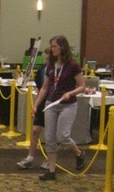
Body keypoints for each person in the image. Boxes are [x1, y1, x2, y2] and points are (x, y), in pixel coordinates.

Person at [31, 35, 85, 180]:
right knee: (49, 138)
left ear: (62, 47)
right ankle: (51, 170)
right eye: (52, 46)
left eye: (55, 46)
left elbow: (82, 86)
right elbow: (44, 88)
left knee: (63, 136)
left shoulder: (73, 65)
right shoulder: (50, 66)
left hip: (68, 105)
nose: (53, 49)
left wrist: (70, 93)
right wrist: (36, 105)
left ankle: (79, 153)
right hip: (51, 104)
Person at [17, 46, 51, 170]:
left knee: (51, 133)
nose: (47, 58)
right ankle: (30, 158)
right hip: (42, 101)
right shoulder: (42, 69)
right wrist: (36, 105)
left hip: (52, 101)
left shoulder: (58, 70)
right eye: (46, 55)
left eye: (49, 55)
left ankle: (50, 159)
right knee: (36, 130)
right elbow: (40, 86)